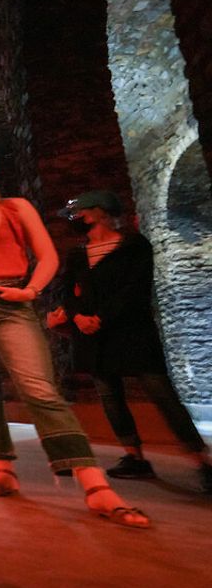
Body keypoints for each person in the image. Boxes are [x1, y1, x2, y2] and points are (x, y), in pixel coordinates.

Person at [0, 145, 150, 528]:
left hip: (9, 297)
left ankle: (93, 483)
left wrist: (30, 292)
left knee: (39, 388)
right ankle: (3, 469)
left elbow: (47, 257)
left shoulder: (14, 209)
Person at [47, 189, 212, 493]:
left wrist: (102, 317)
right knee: (110, 396)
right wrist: (78, 316)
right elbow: (65, 290)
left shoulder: (134, 246)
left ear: (100, 211)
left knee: (160, 392)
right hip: (91, 333)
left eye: (79, 213)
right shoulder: (78, 254)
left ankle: (200, 458)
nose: (75, 219)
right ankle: (133, 455)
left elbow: (135, 288)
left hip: (131, 330)